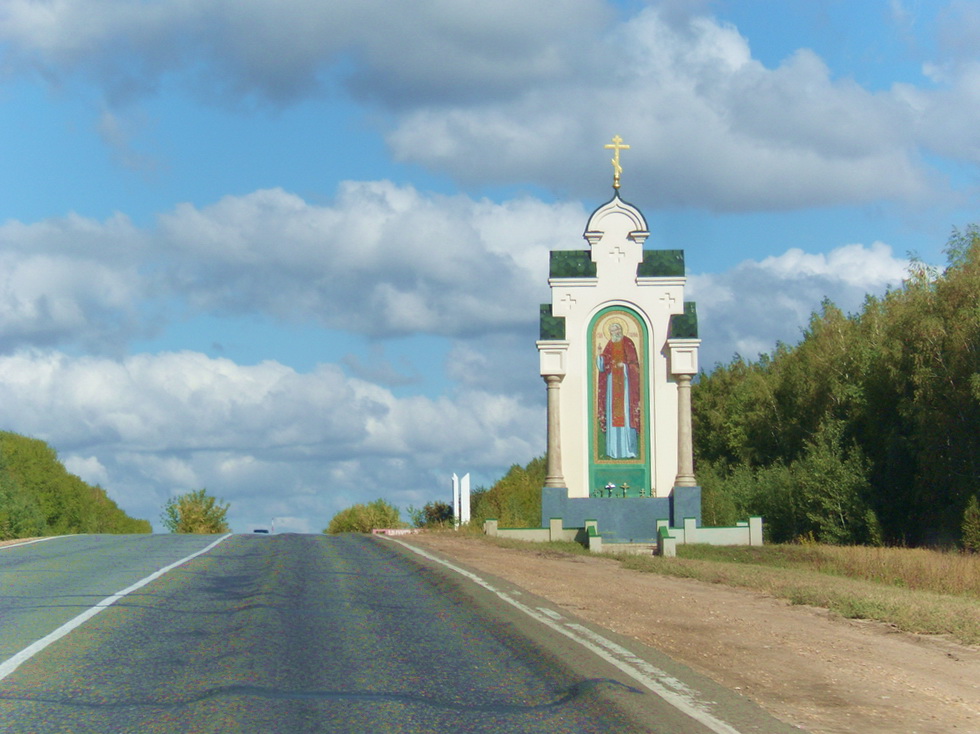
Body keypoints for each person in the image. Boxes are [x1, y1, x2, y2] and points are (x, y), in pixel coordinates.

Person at [597, 320, 641, 458]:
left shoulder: (628, 343)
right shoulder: (610, 344)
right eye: (611, 332)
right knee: (613, 416)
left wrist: (625, 366)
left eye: (616, 331)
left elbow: (634, 363)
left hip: (625, 384)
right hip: (613, 384)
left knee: (626, 416)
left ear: (621, 331)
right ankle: (613, 451)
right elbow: (604, 361)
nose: (614, 334)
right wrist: (600, 358)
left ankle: (628, 450)